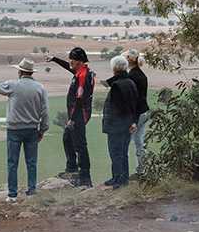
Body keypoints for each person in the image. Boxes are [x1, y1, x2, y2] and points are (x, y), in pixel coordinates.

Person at [0, 58, 50, 202]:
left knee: (12, 163)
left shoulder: (13, 85)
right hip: (32, 130)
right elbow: (45, 111)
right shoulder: (40, 88)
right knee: (31, 162)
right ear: (31, 72)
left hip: (14, 130)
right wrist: (42, 130)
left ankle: (12, 195)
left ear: (20, 72)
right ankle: (32, 190)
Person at [46, 47, 94, 188]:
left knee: (80, 146)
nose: (69, 61)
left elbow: (79, 99)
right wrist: (54, 59)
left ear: (78, 61)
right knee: (67, 139)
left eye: (71, 59)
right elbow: (69, 67)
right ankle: (72, 167)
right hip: (76, 115)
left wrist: (72, 119)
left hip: (79, 115)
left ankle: (85, 177)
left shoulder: (83, 76)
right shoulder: (81, 71)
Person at [102, 55, 139, 189]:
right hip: (126, 125)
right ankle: (120, 178)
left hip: (116, 126)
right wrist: (132, 122)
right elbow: (135, 105)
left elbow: (117, 109)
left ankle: (118, 181)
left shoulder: (117, 85)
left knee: (116, 154)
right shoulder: (130, 82)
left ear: (114, 69)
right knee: (123, 153)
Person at [125, 49, 150, 178]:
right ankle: (142, 170)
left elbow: (132, 99)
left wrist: (132, 119)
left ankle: (123, 172)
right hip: (145, 112)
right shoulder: (142, 75)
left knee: (126, 141)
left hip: (136, 114)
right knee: (139, 142)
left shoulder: (131, 76)